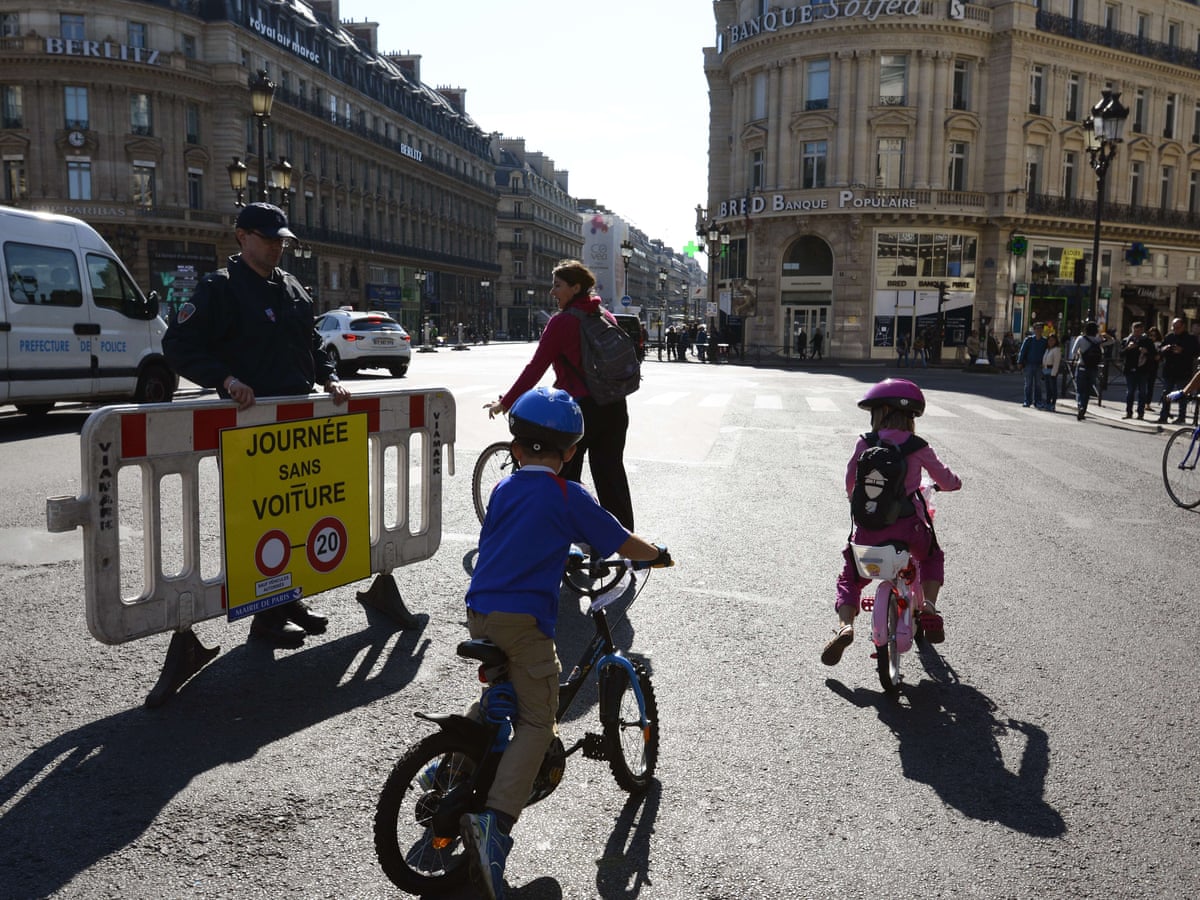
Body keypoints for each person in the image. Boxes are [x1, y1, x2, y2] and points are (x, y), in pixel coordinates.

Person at [461, 387, 669, 900]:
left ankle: (451, 767)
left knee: (501, 696)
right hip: (522, 620)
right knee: (538, 717)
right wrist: (658, 554)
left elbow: (513, 538)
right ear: (571, 452)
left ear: (514, 448)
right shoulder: (567, 495)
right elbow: (621, 541)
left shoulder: (506, 489)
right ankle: (495, 826)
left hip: (480, 611)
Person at [163, 202, 351, 648]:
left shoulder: (291, 288)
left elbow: (311, 343)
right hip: (249, 427)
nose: (276, 247)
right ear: (241, 236)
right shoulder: (220, 289)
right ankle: (263, 617)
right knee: (258, 520)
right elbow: (178, 345)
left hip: (297, 424)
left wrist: (329, 377)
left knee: (297, 516)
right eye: (267, 238)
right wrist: (224, 379)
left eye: (280, 239)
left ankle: (288, 600)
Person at [820, 379, 962, 687]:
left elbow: (850, 484)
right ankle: (928, 607)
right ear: (911, 416)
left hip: (869, 531)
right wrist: (955, 483)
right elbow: (945, 479)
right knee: (931, 556)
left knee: (851, 576)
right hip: (908, 528)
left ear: (880, 413)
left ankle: (845, 626)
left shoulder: (864, 443)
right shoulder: (918, 446)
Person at [484, 260, 635, 530]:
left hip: (578, 411)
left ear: (575, 287)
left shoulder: (562, 322)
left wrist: (506, 402)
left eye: (558, 286)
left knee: (563, 476)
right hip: (614, 406)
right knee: (611, 474)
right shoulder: (604, 315)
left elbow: (535, 369)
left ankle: (561, 538)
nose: (552, 292)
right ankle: (624, 542)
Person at [1157, 317, 1200, 424]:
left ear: (1183, 327)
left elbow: (1196, 353)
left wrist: (1182, 351)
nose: (1175, 329)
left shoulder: (1190, 339)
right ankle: (1164, 415)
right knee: (1167, 394)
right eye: (1173, 327)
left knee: (1183, 394)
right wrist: (1165, 348)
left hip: (1183, 371)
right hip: (1169, 370)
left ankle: (1181, 417)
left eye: (1177, 327)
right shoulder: (1169, 336)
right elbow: (1160, 350)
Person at [1120, 321, 1157, 419]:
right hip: (1130, 369)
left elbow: (1154, 355)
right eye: (1135, 331)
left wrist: (1146, 352)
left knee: (1142, 392)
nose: (1136, 334)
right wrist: (1128, 348)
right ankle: (1129, 412)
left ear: (1142, 331)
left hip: (1143, 370)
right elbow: (1120, 354)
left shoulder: (1147, 341)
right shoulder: (1127, 340)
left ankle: (1141, 413)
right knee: (1130, 392)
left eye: (1139, 331)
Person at [1069, 321, 1104, 421]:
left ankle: (1080, 406)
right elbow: (1111, 342)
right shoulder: (1097, 340)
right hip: (1093, 368)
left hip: (1082, 366)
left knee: (1080, 389)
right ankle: (1084, 408)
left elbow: (1073, 351)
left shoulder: (1081, 338)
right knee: (1088, 390)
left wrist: (1080, 352)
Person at [1016, 324, 1048, 408]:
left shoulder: (1045, 341)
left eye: (1040, 329)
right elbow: (1022, 351)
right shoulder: (1028, 340)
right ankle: (1027, 400)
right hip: (1029, 364)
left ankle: (1038, 401)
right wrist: (1019, 362)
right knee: (1028, 384)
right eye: (1037, 329)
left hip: (1039, 365)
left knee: (1038, 385)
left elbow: (1047, 353)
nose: (1039, 330)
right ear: (1034, 330)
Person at [1042, 333, 1061, 411]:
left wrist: (1054, 373)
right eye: (1049, 340)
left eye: (1053, 340)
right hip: (1046, 370)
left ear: (1056, 341)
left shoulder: (1056, 350)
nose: (1051, 342)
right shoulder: (1047, 349)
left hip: (1052, 370)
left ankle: (1053, 404)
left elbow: (1056, 362)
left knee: (1053, 389)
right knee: (1048, 389)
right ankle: (1048, 403)